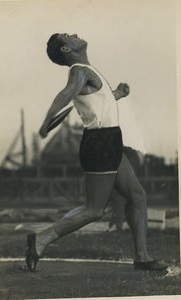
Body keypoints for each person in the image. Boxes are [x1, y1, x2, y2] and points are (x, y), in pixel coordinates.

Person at [26, 33, 167, 272]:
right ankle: (42, 238)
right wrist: (47, 120)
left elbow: (97, 104)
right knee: (94, 209)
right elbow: (67, 93)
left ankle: (142, 257)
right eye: (67, 37)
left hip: (110, 141)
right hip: (100, 143)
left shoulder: (88, 71)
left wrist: (117, 95)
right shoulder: (79, 70)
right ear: (66, 49)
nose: (74, 35)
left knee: (137, 196)